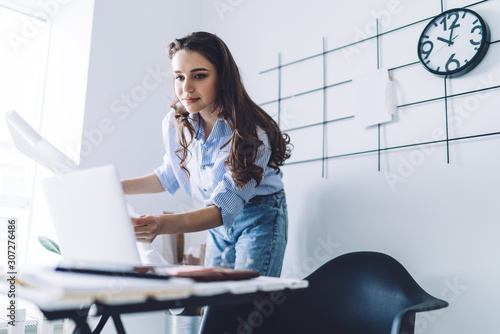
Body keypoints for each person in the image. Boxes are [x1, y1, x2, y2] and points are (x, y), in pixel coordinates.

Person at [121, 31, 292, 277]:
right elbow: (170, 175)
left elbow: (224, 208)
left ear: (223, 77)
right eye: (179, 77)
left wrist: (160, 225)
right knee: (214, 302)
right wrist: (113, 187)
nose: (186, 88)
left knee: (249, 306)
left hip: (259, 216)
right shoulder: (176, 122)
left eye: (199, 76)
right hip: (215, 219)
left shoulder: (252, 135)